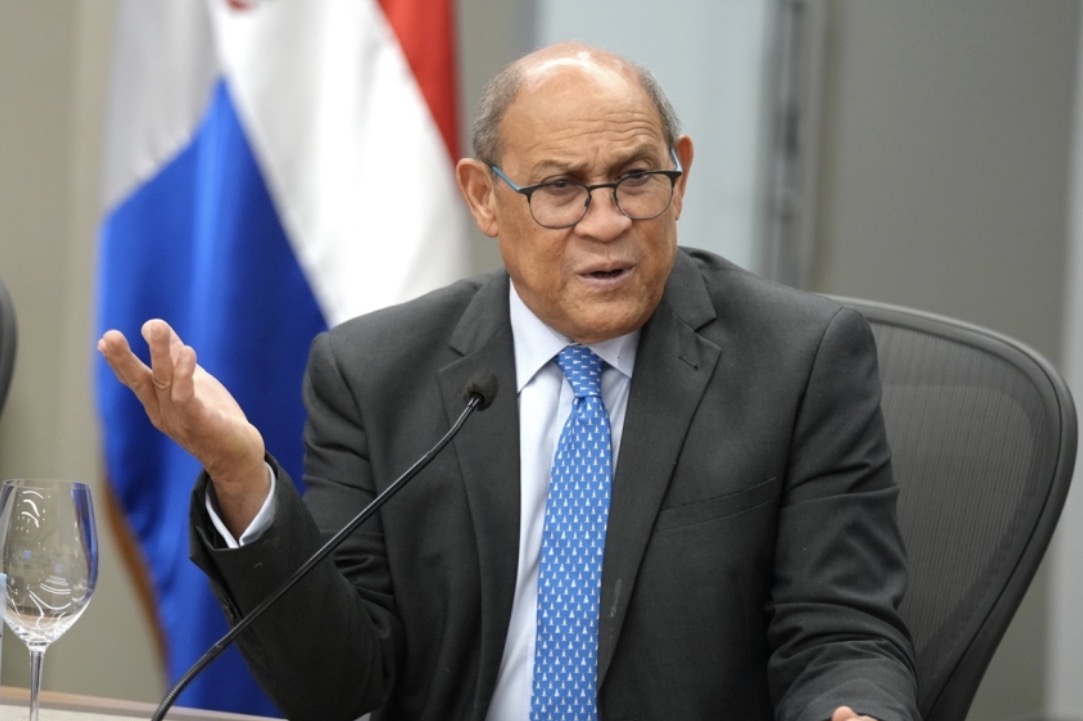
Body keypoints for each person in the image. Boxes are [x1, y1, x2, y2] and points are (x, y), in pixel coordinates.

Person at [99, 42, 919, 721]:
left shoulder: (797, 360)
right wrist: (241, 476)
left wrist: (856, 710)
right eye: (560, 187)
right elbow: (339, 686)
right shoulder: (374, 374)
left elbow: (841, 635)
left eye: (637, 177)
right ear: (483, 198)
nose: (607, 221)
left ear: (682, 175)